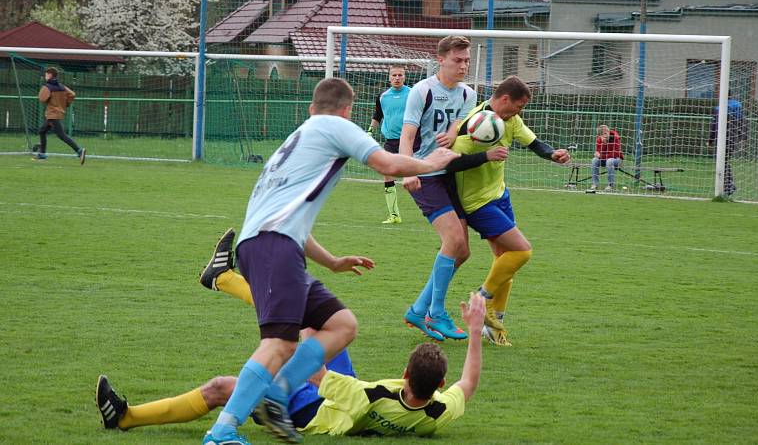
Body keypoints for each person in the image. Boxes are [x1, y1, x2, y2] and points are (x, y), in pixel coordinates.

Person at [202, 77, 459, 445]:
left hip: (272, 243)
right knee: (279, 344)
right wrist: (429, 161)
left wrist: (332, 261)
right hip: (272, 246)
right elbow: (386, 163)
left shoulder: (298, 138)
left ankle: (277, 393)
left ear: (311, 107)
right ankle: (222, 430)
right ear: (347, 111)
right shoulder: (336, 125)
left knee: (341, 325)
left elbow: (291, 221)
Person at [97, 231, 486, 440]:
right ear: (438, 386)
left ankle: (127, 418)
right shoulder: (438, 415)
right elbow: (467, 383)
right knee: (308, 323)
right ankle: (223, 279)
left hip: (308, 413)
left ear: (404, 373)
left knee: (226, 384)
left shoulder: (370, 396)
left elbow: (309, 370)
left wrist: (472, 326)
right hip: (339, 392)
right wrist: (473, 332)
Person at [452, 76, 571, 346]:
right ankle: (481, 300)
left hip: (499, 195)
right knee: (522, 251)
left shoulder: (510, 121)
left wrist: (553, 155)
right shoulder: (473, 124)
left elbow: (535, 144)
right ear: (505, 99)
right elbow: (450, 164)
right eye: (519, 106)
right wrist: (485, 156)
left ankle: (494, 328)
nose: (521, 112)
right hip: (476, 202)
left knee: (506, 262)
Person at [400, 35, 482, 342]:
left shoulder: (468, 95)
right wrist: (406, 170)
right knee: (452, 238)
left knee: (462, 251)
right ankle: (436, 312)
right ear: (441, 60)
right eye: (458, 60)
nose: (463, 66)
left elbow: (456, 130)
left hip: (448, 174)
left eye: (467, 61)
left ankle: (418, 310)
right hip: (423, 173)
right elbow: (407, 137)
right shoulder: (421, 91)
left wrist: (454, 135)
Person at [369, 65, 412, 224]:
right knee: (387, 173)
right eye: (394, 75)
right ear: (389, 77)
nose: (397, 78)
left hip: (410, 140)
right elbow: (378, 115)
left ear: (404, 77)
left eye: (400, 75)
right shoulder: (383, 96)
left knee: (421, 175)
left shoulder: (412, 94)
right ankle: (394, 215)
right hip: (390, 141)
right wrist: (370, 131)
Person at [34, 67, 86, 164]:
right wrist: (66, 103)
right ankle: (42, 154)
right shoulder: (62, 86)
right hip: (57, 113)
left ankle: (79, 151)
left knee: (62, 135)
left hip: (52, 114)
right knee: (42, 131)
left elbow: (42, 98)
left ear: (49, 75)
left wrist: (46, 94)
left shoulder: (47, 87)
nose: (45, 76)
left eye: (46, 75)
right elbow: (72, 94)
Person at [708, 92, 747, 197]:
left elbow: (714, 125)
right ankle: (729, 185)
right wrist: (743, 137)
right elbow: (742, 122)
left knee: (722, 161)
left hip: (723, 137)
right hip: (732, 137)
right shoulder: (737, 105)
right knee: (724, 161)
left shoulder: (719, 108)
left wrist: (710, 140)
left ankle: (729, 186)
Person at [590, 125, 623, 191]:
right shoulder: (599, 140)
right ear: (599, 135)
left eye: (606, 133)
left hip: (617, 160)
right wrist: (603, 144)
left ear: (609, 131)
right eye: (602, 134)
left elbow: (615, 154)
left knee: (609, 161)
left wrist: (601, 156)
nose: (605, 135)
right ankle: (595, 184)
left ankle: (610, 185)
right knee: (594, 160)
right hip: (604, 160)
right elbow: (598, 152)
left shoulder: (615, 138)